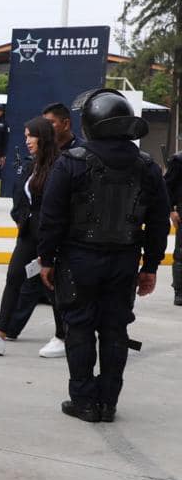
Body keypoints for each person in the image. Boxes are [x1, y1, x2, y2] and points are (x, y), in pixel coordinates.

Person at [37, 89, 170, 423]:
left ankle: (83, 400)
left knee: (79, 327)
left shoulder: (71, 162)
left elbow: (51, 217)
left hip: (79, 259)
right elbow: (158, 222)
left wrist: (47, 260)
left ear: (91, 122)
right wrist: (150, 266)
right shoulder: (147, 166)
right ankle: (108, 402)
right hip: (124, 261)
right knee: (115, 330)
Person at [0, 117, 65, 356]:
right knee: (14, 276)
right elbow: (22, 196)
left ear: (43, 136)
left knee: (52, 284)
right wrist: (20, 217)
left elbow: (57, 205)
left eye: (31, 135)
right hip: (28, 232)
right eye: (26, 135)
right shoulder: (33, 165)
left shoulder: (60, 165)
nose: (27, 140)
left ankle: (63, 335)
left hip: (49, 234)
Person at [165, 149, 182, 306]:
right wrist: (171, 210)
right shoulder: (178, 160)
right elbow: (167, 187)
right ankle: (179, 291)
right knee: (181, 254)